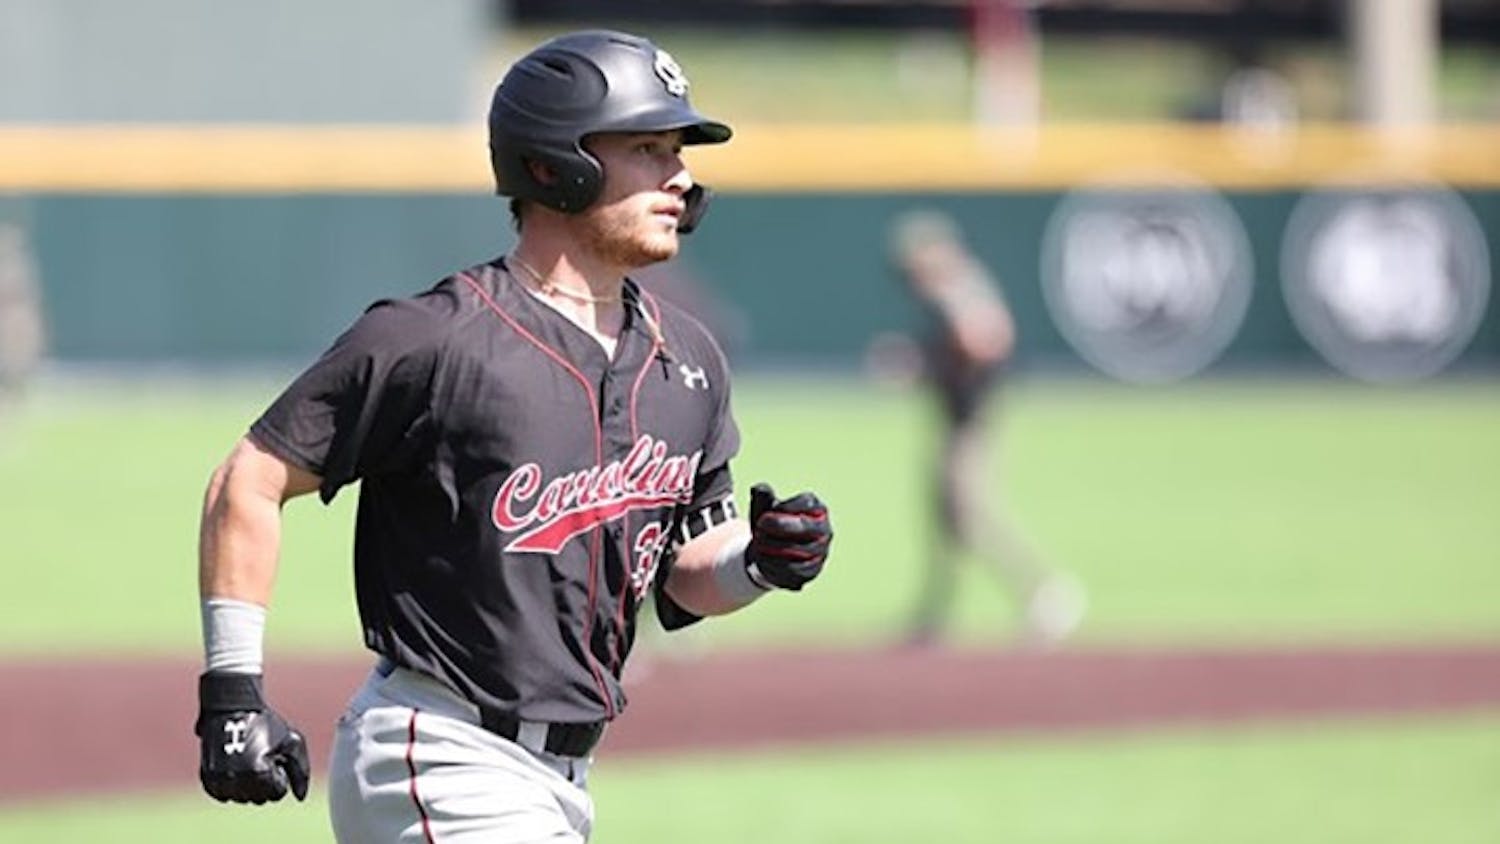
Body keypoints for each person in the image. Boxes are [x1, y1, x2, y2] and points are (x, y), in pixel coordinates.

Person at [193, 30, 834, 842]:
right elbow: (248, 479)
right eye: (647, 147)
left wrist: (760, 563)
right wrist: (232, 693)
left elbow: (679, 579)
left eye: (679, 150)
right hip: (439, 753)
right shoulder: (432, 338)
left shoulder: (687, 360)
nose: (681, 175)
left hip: (560, 779)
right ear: (551, 164)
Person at [887, 209, 1082, 648]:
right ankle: (934, 616)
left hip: (971, 421)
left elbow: (986, 338)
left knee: (970, 515)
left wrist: (930, 361)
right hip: (956, 417)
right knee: (945, 519)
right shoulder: (947, 290)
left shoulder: (957, 286)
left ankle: (1045, 591)